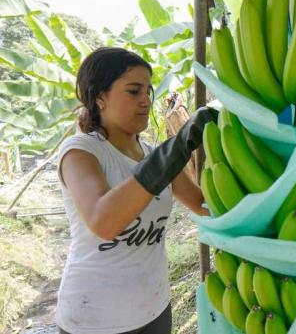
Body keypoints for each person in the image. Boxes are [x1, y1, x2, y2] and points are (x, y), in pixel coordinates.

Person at [55, 47, 217, 334]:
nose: (146, 100)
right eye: (133, 91)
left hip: (153, 309)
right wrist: (175, 150)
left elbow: (203, 205)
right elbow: (104, 221)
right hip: (93, 319)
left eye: (148, 91)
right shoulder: (81, 151)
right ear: (100, 97)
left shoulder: (153, 154)